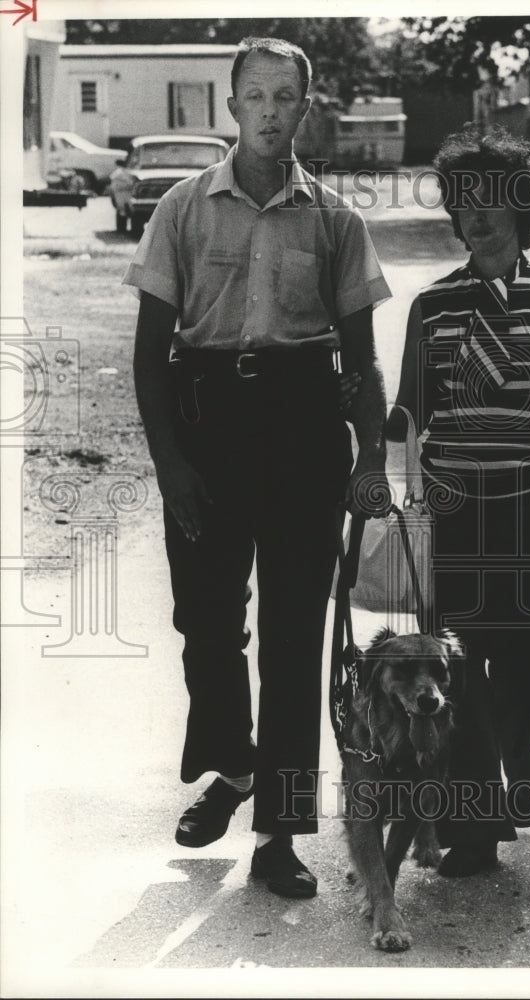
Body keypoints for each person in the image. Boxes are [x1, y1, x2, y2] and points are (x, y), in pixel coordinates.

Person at [127, 37, 391, 899]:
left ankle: (279, 833)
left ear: (305, 109)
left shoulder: (335, 219)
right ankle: (234, 767)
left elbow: (361, 359)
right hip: (207, 426)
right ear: (232, 106)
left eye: (288, 97)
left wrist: (368, 460)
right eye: (257, 97)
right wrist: (171, 465)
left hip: (304, 432)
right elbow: (146, 354)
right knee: (207, 623)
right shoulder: (182, 209)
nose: (272, 112)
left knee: (290, 639)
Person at [386, 127, 530, 876]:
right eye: (460, 200)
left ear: (521, 206)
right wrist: (363, 457)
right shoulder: (432, 306)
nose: (472, 212)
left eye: (487, 199)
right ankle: (477, 824)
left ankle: (517, 748)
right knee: (458, 666)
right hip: (458, 514)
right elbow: (405, 411)